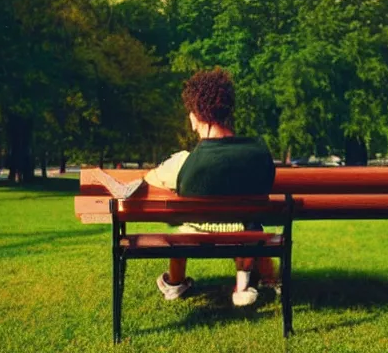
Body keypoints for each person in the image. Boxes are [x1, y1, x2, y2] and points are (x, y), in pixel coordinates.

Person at [94, 68, 276, 305]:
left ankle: (174, 283)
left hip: (195, 232)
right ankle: (270, 280)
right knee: (254, 232)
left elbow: (146, 181)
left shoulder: (182, 162)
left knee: (180, 237)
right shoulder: (258, 155)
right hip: (243, 231)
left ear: (195, 117)